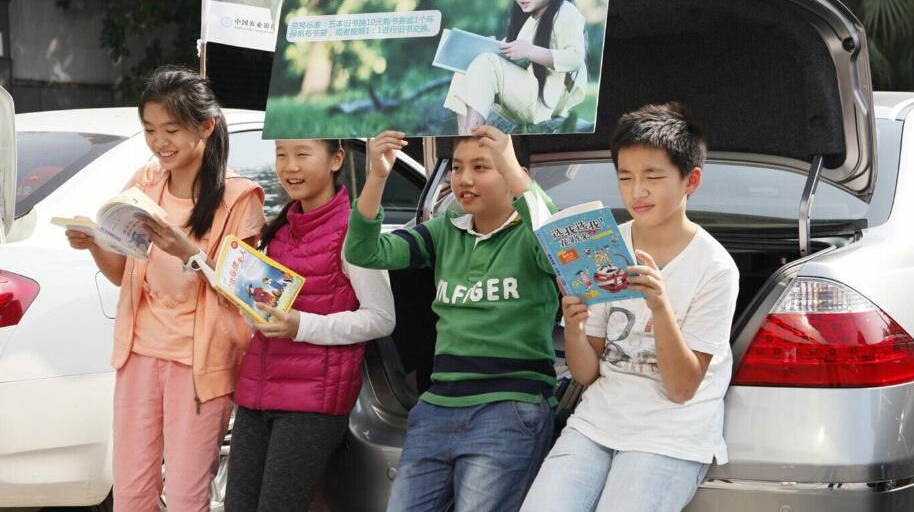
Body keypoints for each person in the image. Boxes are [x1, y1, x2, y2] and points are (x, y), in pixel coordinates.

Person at [519, 103, 740, 512]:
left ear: (691, 180)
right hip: (596, 423)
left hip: (671, 435)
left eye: (653, 177)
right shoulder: (606, 247)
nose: (637, 191)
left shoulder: (715, 268)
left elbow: (682, 390)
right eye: (625, 177)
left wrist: (660, 307)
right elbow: (586, 373)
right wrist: (574, 327)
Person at [65, 66, 266, 512]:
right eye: (150, 130)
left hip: (199, 368)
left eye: (171, 130)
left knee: (185, 498)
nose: (160, 142)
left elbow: (250, 293)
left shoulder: (239, 196)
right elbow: (121, 273)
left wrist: (189, 252)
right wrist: (93, 243)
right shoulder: (145, 182)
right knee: (131, 495)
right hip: (138, 357)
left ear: (206, 127)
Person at [345, 128, 560, 512]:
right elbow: (364, 252)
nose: (464, 179)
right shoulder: (445, 231)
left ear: (515, 173)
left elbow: (562, 248)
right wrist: (377, 176)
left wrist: (513, 169)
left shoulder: (533, 235)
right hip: (436, 408)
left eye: (481, 167)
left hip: (508, 409)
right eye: (457, 168)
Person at [225, 139, 395, 512]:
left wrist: (302, 325)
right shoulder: (280, 230)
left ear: (336, 159)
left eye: (302, 154)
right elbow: (271, 317)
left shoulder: (354, 231)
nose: (289, 166)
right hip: (256, 394)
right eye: (281, 154)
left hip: (312, 404)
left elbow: (381, 317)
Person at [444, 0, 588, 135]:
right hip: (525, 94)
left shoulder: (566, 12)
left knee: (485, 63)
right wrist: (492, 47)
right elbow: (513, 53)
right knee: (467, 67)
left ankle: (473, 139)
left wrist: (530, 51)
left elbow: (575, 58)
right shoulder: (530, 17)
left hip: (543, 101)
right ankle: (465, 137)